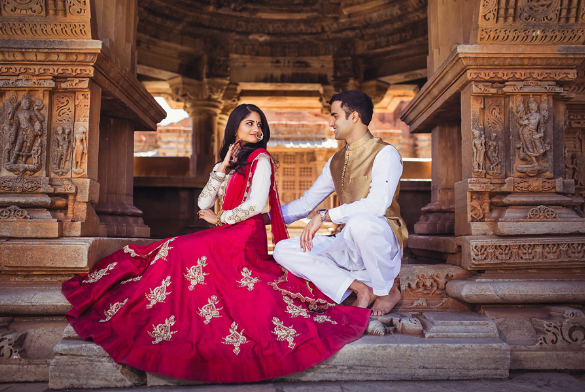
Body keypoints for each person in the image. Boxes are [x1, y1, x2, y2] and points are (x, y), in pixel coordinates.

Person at [62, 104, 370, 383]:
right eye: (249, 123)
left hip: (243, 235)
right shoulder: (234, 161)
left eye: (259, 125)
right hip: (226, 232)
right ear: (235, 126)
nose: (256, 130)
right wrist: (222, 167)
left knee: (179, 250)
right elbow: (203, 201)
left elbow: (255, 204)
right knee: (174, 248)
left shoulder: (262, 158)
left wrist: (221, 219)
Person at [273, 90, 407, 316]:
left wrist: (324, 216)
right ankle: (359, 287)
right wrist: (260, 218)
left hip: (380, 237)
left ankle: (387, 291)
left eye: (335, 116)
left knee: (361, 224)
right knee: (283, 249)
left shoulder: (385, 153)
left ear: (354, 117)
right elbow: (306, 203)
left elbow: (377, 206)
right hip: (347, 240)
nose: (330, 122)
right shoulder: (336, 161)